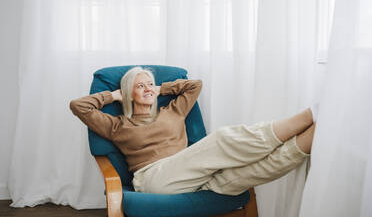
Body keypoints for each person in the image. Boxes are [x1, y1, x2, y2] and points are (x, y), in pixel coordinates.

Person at [70, 66, 315, 196]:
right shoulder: (117, 125)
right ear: (127, 93)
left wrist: (162, 88)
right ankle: (310, 114)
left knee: (251, 173)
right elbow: (78, 106)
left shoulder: (173, 111)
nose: (147, 88)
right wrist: (113, 95)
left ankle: (316, 131)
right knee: (220, 139)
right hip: (154, 179)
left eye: (149, 84)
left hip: (198, 176)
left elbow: (194, 85)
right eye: (139, 86)